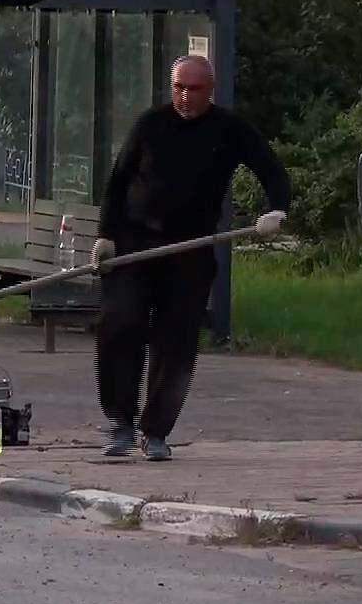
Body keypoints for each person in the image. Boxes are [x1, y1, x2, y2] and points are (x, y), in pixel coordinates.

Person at [92, 55, 290, 460]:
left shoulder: (230, 130)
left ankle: (156, 432)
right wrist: (106, 236)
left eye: (193, 89)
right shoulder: (151, 124)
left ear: (210, 90)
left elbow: (272, 171)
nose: (184, 96)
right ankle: (120, 424)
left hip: (190, 249)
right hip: (135, 241)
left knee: (177, 339)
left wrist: (276, 210)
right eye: (178, 87)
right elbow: (118, 181)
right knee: (121, 324)